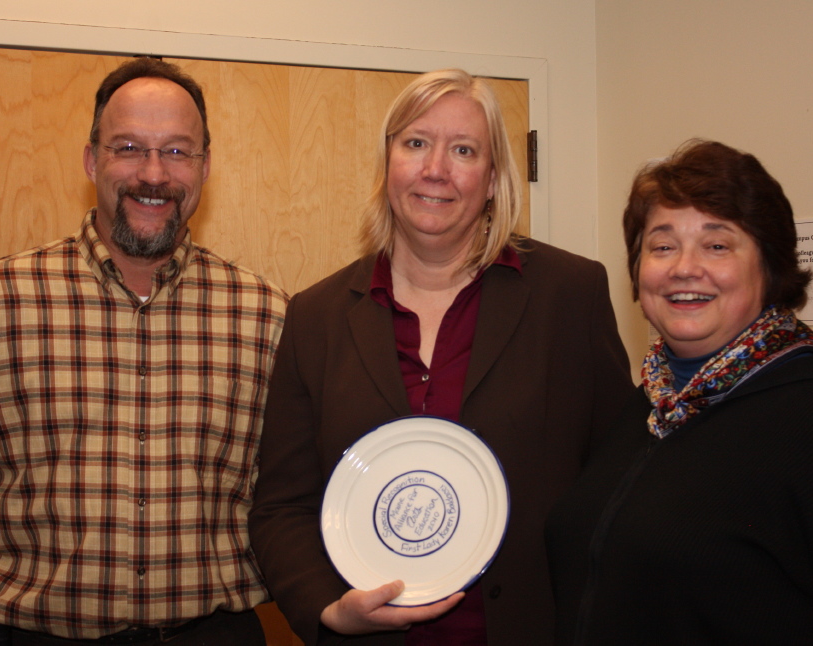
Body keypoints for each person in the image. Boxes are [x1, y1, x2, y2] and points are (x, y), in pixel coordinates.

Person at [248, 68, 633, 646]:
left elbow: (620, 484)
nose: (435, 169)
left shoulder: (570, 295)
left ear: (494, 177)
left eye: (463, 150)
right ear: (388, 163)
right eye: (416, 143)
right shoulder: (316, 317)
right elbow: (283, 507)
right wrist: (329, 609)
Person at [0, 57, 287, 645]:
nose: (153, 174)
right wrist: (30, 572)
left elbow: (285, 486)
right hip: (27, 634)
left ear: (205, 167)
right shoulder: (1, 299)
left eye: (177, 151)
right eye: (128, 147)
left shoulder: (265, 315)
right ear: (90, 160)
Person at [545, 139, 813, 645]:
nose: (684, 267)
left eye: (717, 245)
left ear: (769, 266)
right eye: (662, 246)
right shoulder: (651, 405)